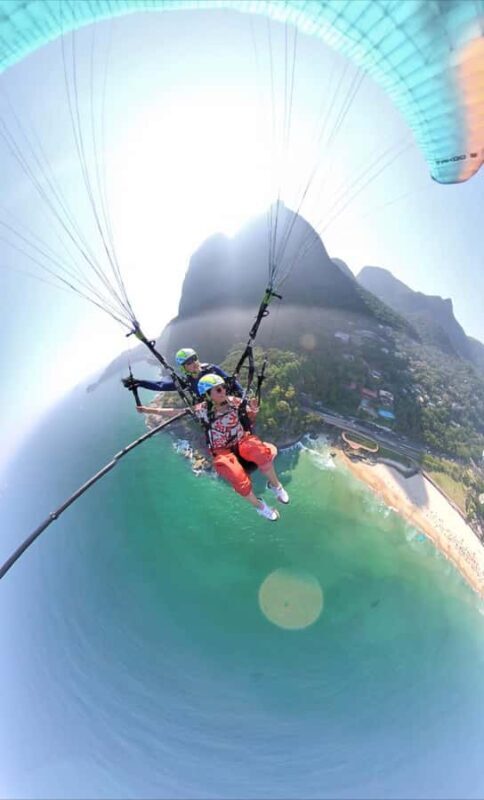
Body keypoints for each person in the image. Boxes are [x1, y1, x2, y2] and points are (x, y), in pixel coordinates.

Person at [195, 373, 289, 521]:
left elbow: (250, 415)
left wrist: (254, 408)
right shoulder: (202, 411)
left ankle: (276, 486)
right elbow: (177, 412)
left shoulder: (233, 402)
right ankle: (260, 507)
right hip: (222, 451)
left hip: (241, 441)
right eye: (218, 390)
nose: (223, 391)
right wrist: (150, 411)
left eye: (223, 388)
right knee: (238, 478)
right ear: (207, 395)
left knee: (261, 452)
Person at [122, 348, 243, 399]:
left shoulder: (212, 369)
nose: (194, 363)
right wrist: (139, 383)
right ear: (184, 367)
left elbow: (231, 381)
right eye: (189, 362)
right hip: (211, 411)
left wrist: (243, 397)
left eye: (194, 358)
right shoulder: (186, 382)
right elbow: (161, 385)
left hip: (228, 401)